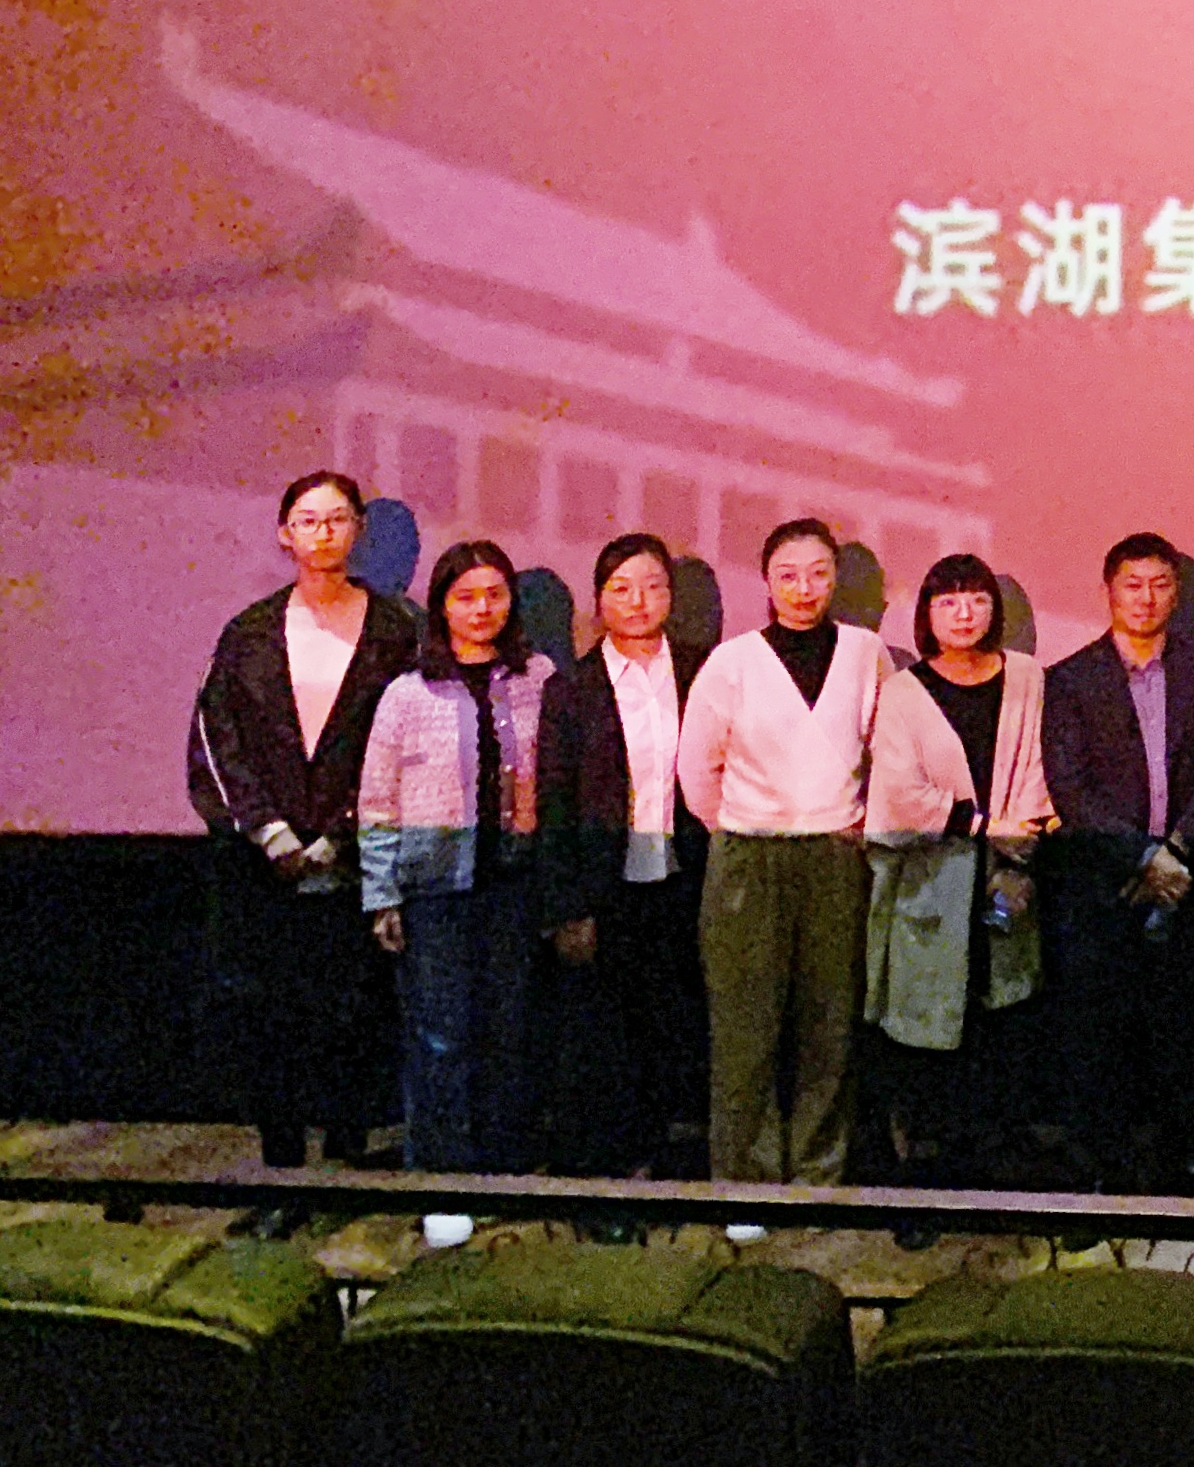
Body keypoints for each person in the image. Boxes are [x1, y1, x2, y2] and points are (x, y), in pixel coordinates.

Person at [190, 469, 417, 1202]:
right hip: (267, 866)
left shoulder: (397, 631)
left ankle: (349, 1160)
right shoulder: (248, 633)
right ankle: (282, 1169)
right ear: (285, 534)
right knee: (270, 1019)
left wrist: (343, 834)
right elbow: (216, 740)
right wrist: (268, 831)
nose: (323, 533)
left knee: (352, 1015)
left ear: (358, 531)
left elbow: (407, 744)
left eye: (338, 519)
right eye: (308, 520)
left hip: (357, 860)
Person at [676, 514, 891, 1200]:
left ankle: (819, 1176)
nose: (804, 588)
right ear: (766, 582)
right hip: (749, 857)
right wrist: (742, 826)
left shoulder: (865, 652)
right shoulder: (732, 662)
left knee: (830, 1025)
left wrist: (853, 825)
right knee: (746, 1026)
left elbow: (885, 749)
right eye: (788, 575)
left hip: (835, 856)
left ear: (836, 579)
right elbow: (695, 768)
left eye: (818, 573)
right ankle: (745, 1183)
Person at [357, 538, 552, 1244]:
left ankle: (503, 1172)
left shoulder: (538, 677)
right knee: (439, 1038)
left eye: (494, 594)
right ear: (441, 605)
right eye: (465, 596)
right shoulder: (407, 693)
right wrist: (382, 894)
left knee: (508, 1032)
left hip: (514, 884)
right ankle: (442, 1183)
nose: (481, 609)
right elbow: (377, 800)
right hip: (434, 889)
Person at [1041, 531, 1194, 1193]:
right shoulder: (1070, 679)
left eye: (1160, 584)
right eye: (1133, 584)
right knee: (1101, 1037)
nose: (1146, 597)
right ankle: (1104, 1171)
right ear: (1109, 591)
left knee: (1187, 1035)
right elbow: (1070, 787)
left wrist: (1177, 849)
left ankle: (1182, 1165)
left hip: (1190, 879)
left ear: (1176, 593)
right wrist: (1140, 856)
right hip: (1107, 886)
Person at [864, 552, 1048, 1208]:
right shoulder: (904, 692)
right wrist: (980, 823)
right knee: (930, 1034)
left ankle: (996, 1183)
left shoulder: (1026, 677)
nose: (964, 614)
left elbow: (1039, 769)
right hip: (931, 883)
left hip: (1009, 878)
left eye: (976, 599)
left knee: (1003, 1026)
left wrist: (1019, 856)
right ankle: (927, 1185)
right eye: (947, 602)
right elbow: (898, 795)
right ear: (927, 614)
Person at [537, 533, 706, 1188]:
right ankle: (610, 1165)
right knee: (606, 1033)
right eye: (622, 588)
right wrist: (567, 906)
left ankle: (667, 1161)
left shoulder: (702, 671)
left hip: (685, 878)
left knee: (675, 1023)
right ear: (599, 599)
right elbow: (555, 802)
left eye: (653, 586)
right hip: (605, 886)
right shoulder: (572, 688)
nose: (639, 601)